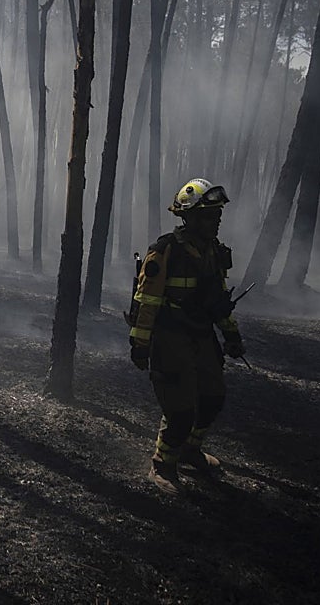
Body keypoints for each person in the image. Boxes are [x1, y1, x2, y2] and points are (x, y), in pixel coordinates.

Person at [128, 178, 245, 495]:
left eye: (217, 215)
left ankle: (190, 451)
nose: (215, 221)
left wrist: (231, 335)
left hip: (201, 334)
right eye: (209, 215)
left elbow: (218, 298)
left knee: (212, 397)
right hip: (170, 337)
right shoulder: (164, 252)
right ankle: (163, 464)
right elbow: (146, 303)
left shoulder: (214, 253)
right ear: (189, 217)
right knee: (179, 410)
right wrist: (140, 345)